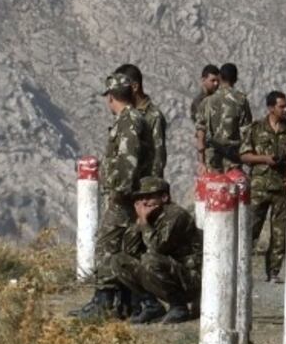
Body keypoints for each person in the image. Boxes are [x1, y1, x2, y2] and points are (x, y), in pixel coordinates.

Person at [74, 72, 156, 319]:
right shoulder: (131, 119)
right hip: (128, 195)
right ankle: (126, 301)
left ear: (110, 97)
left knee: (106, 245)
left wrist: (120, 192)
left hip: (125, 197)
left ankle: (106, 300)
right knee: (124, 249)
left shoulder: (129, 121)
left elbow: (128, 160)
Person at [106, 176, 201, 324]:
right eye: (141, 198)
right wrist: (139, 223)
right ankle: (151, 305)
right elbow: (129, 250)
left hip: (190, 277)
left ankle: (179, 306)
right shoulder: (150, 217)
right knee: (118, 260)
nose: (144, 202)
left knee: (150, 260)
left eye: (149, 197)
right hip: (169, 272)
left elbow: (157, 247)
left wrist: (144, 222)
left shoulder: (176, 215)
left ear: (164, 197)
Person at [240, 90, 286, 281]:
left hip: (282, 187)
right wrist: (264, 159)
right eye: (281, 106)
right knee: (250, 230)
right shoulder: (255, 129)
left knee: (280, 234)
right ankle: (241, 269)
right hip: (260, 187)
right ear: (270, 108)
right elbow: (244, 155)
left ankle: (273, 272)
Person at [196, 62, 253, 173]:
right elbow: (246, 131)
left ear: (220, 77)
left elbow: (200, 135)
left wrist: (201, 162)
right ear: (235, 79)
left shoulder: (207, 101)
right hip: (233, 159)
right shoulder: (241, 100)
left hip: (212, 160)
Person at [115, 63, 168, 178]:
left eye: (122, 87)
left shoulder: (153, 116)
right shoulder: (126, 115)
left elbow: (158, 159)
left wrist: (150, 191)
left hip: (144, 187)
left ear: (134, 87)